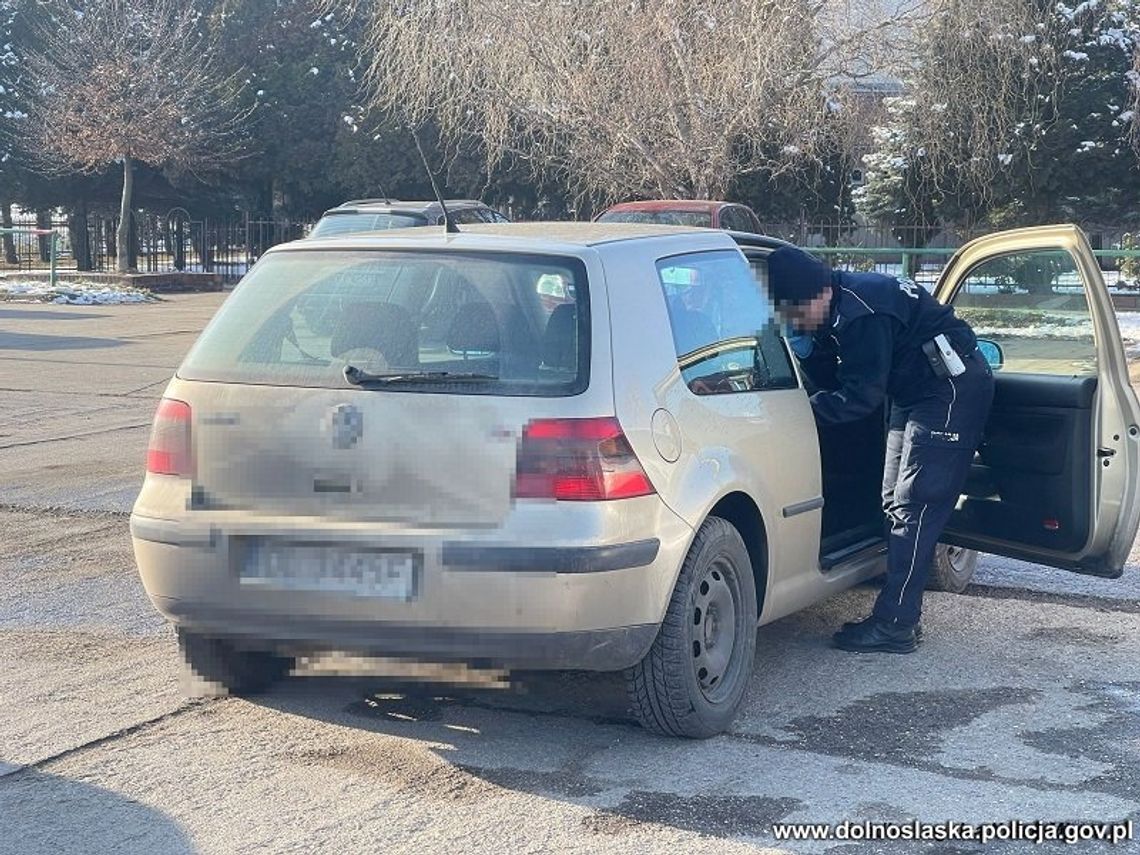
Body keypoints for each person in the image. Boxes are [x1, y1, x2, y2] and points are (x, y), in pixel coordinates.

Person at [766, 246, 994, 653]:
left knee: (915, 504)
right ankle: (898, 614)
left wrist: (795, 413)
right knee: (892, 499)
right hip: (911, 390)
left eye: (798, 315)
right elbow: (837, 377)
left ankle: (896, 623)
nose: (795, 324)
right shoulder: (833, 305)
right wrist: (809, 350)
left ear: (817, 295)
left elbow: (858, 398)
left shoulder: (862, 311)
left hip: (948, 389)